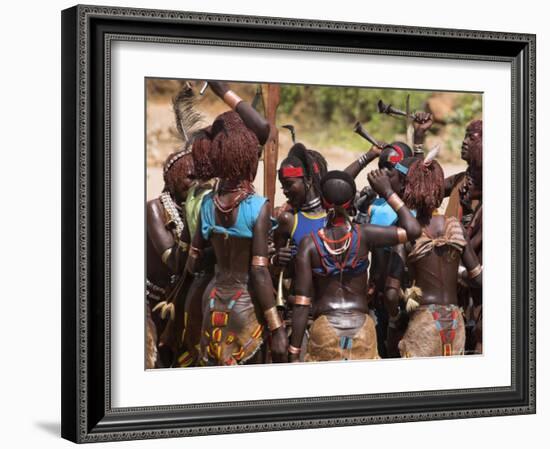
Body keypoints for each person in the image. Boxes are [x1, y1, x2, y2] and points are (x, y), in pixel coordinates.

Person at [186, 84, 287, 366]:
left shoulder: (208, 203)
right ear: (247, 157)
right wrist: (276, 326)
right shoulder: (258, 206)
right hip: (246, 304)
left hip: (211, 300)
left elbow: (193, 264)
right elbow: (258, 272)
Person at [289, 169, 421, 362]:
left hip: (325, 329)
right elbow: (413, 230)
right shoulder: (365, 234)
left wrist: (293, 351)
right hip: (362, 329)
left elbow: (302, 304)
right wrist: (387, 192)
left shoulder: (309, 244)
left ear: (324, 202)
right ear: (351, 202)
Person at [384, 155, 482, 358]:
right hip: (456, 323)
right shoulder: (455, 227)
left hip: (424, 323)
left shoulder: (406, 232)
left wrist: (395, 320)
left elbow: (391, 293)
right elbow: (478, 278)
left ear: (410, 188)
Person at [146, 149, 195, 367]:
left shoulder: (193, 209)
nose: (195, 184)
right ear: (174, 177)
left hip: (183, 300)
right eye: (189, 177)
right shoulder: (154, 209)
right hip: (152, 301)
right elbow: (175, 262)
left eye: (199, 178)